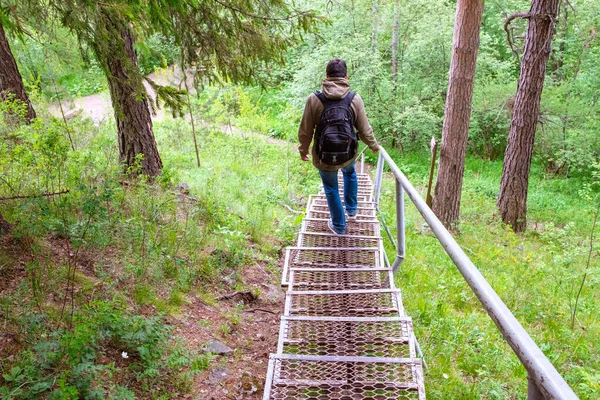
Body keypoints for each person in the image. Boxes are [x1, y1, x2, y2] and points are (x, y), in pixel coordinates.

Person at [298, 58, 379, 234]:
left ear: (327, 76)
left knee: (331, 187)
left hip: (323, 155)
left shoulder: (314, 99)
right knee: (350, 173)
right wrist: (373, 144)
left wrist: (303, 150)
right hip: (347, 153)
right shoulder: (354, 98)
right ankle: (351, 209)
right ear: (346, 76)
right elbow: (364, 128)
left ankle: (339, 225)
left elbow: (306, 129)